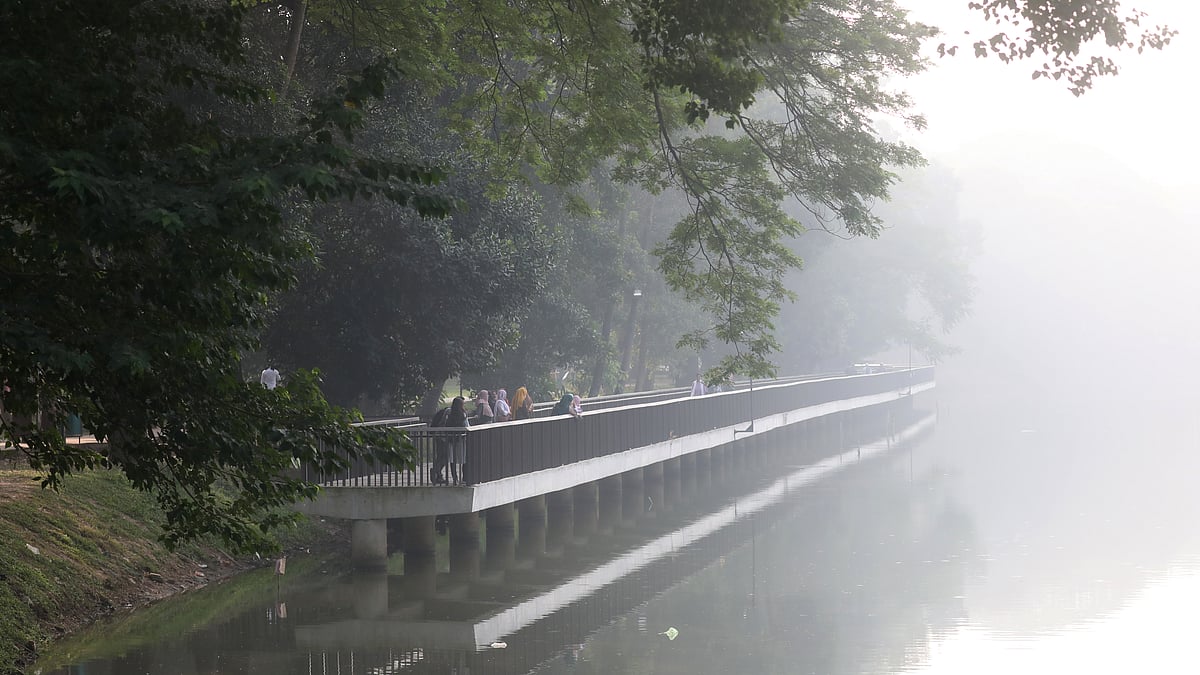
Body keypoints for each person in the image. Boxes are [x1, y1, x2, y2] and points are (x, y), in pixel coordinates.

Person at [446, 396, 470, 484]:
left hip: (451, 439)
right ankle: (464, 477)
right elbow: (466, 425)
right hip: (461, 439)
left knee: (452, 459)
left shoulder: (449, 413)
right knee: (464, 458)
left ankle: (455, 478)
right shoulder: (463, 414)